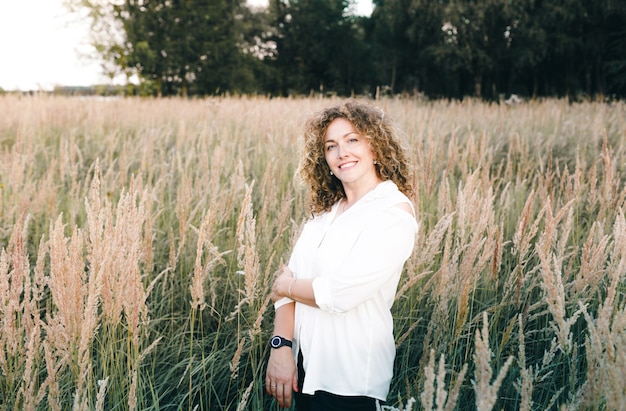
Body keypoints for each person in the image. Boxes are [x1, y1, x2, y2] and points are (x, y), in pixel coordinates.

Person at [265, 100, 418, 410]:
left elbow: (338, 293)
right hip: (303, 371)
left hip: (351, 382)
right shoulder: (325, 213)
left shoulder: (392, 213)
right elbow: (285, 286)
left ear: (375, 147)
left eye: (352, 140)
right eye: (330, 146)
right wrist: (281, 346)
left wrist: (286, 287)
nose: (341, 152)